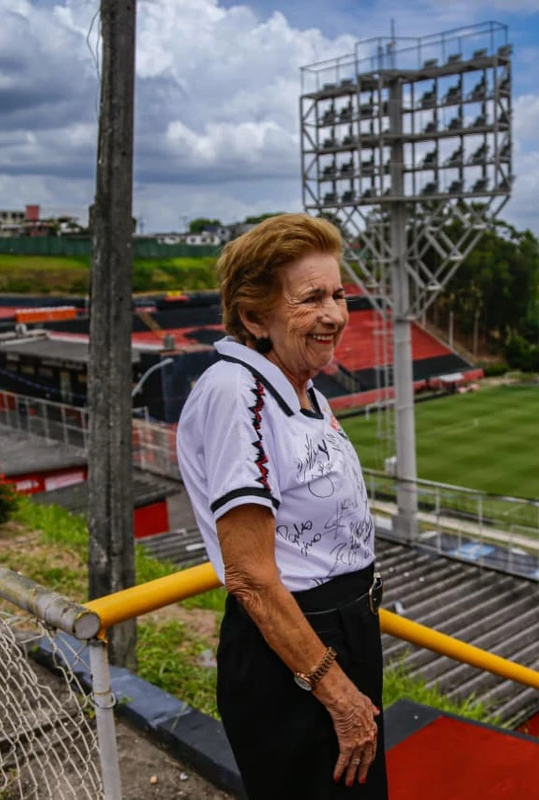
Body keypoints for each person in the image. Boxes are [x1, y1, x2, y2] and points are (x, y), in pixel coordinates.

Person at [176, 213, 387, 798]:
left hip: (339, 636)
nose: (335, 314)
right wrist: (338, 693)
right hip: (298, 656)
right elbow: (250, 575)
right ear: (253, 316)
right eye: (311, 298)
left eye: (339, 294)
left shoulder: (299, 386)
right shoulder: (234, 391)